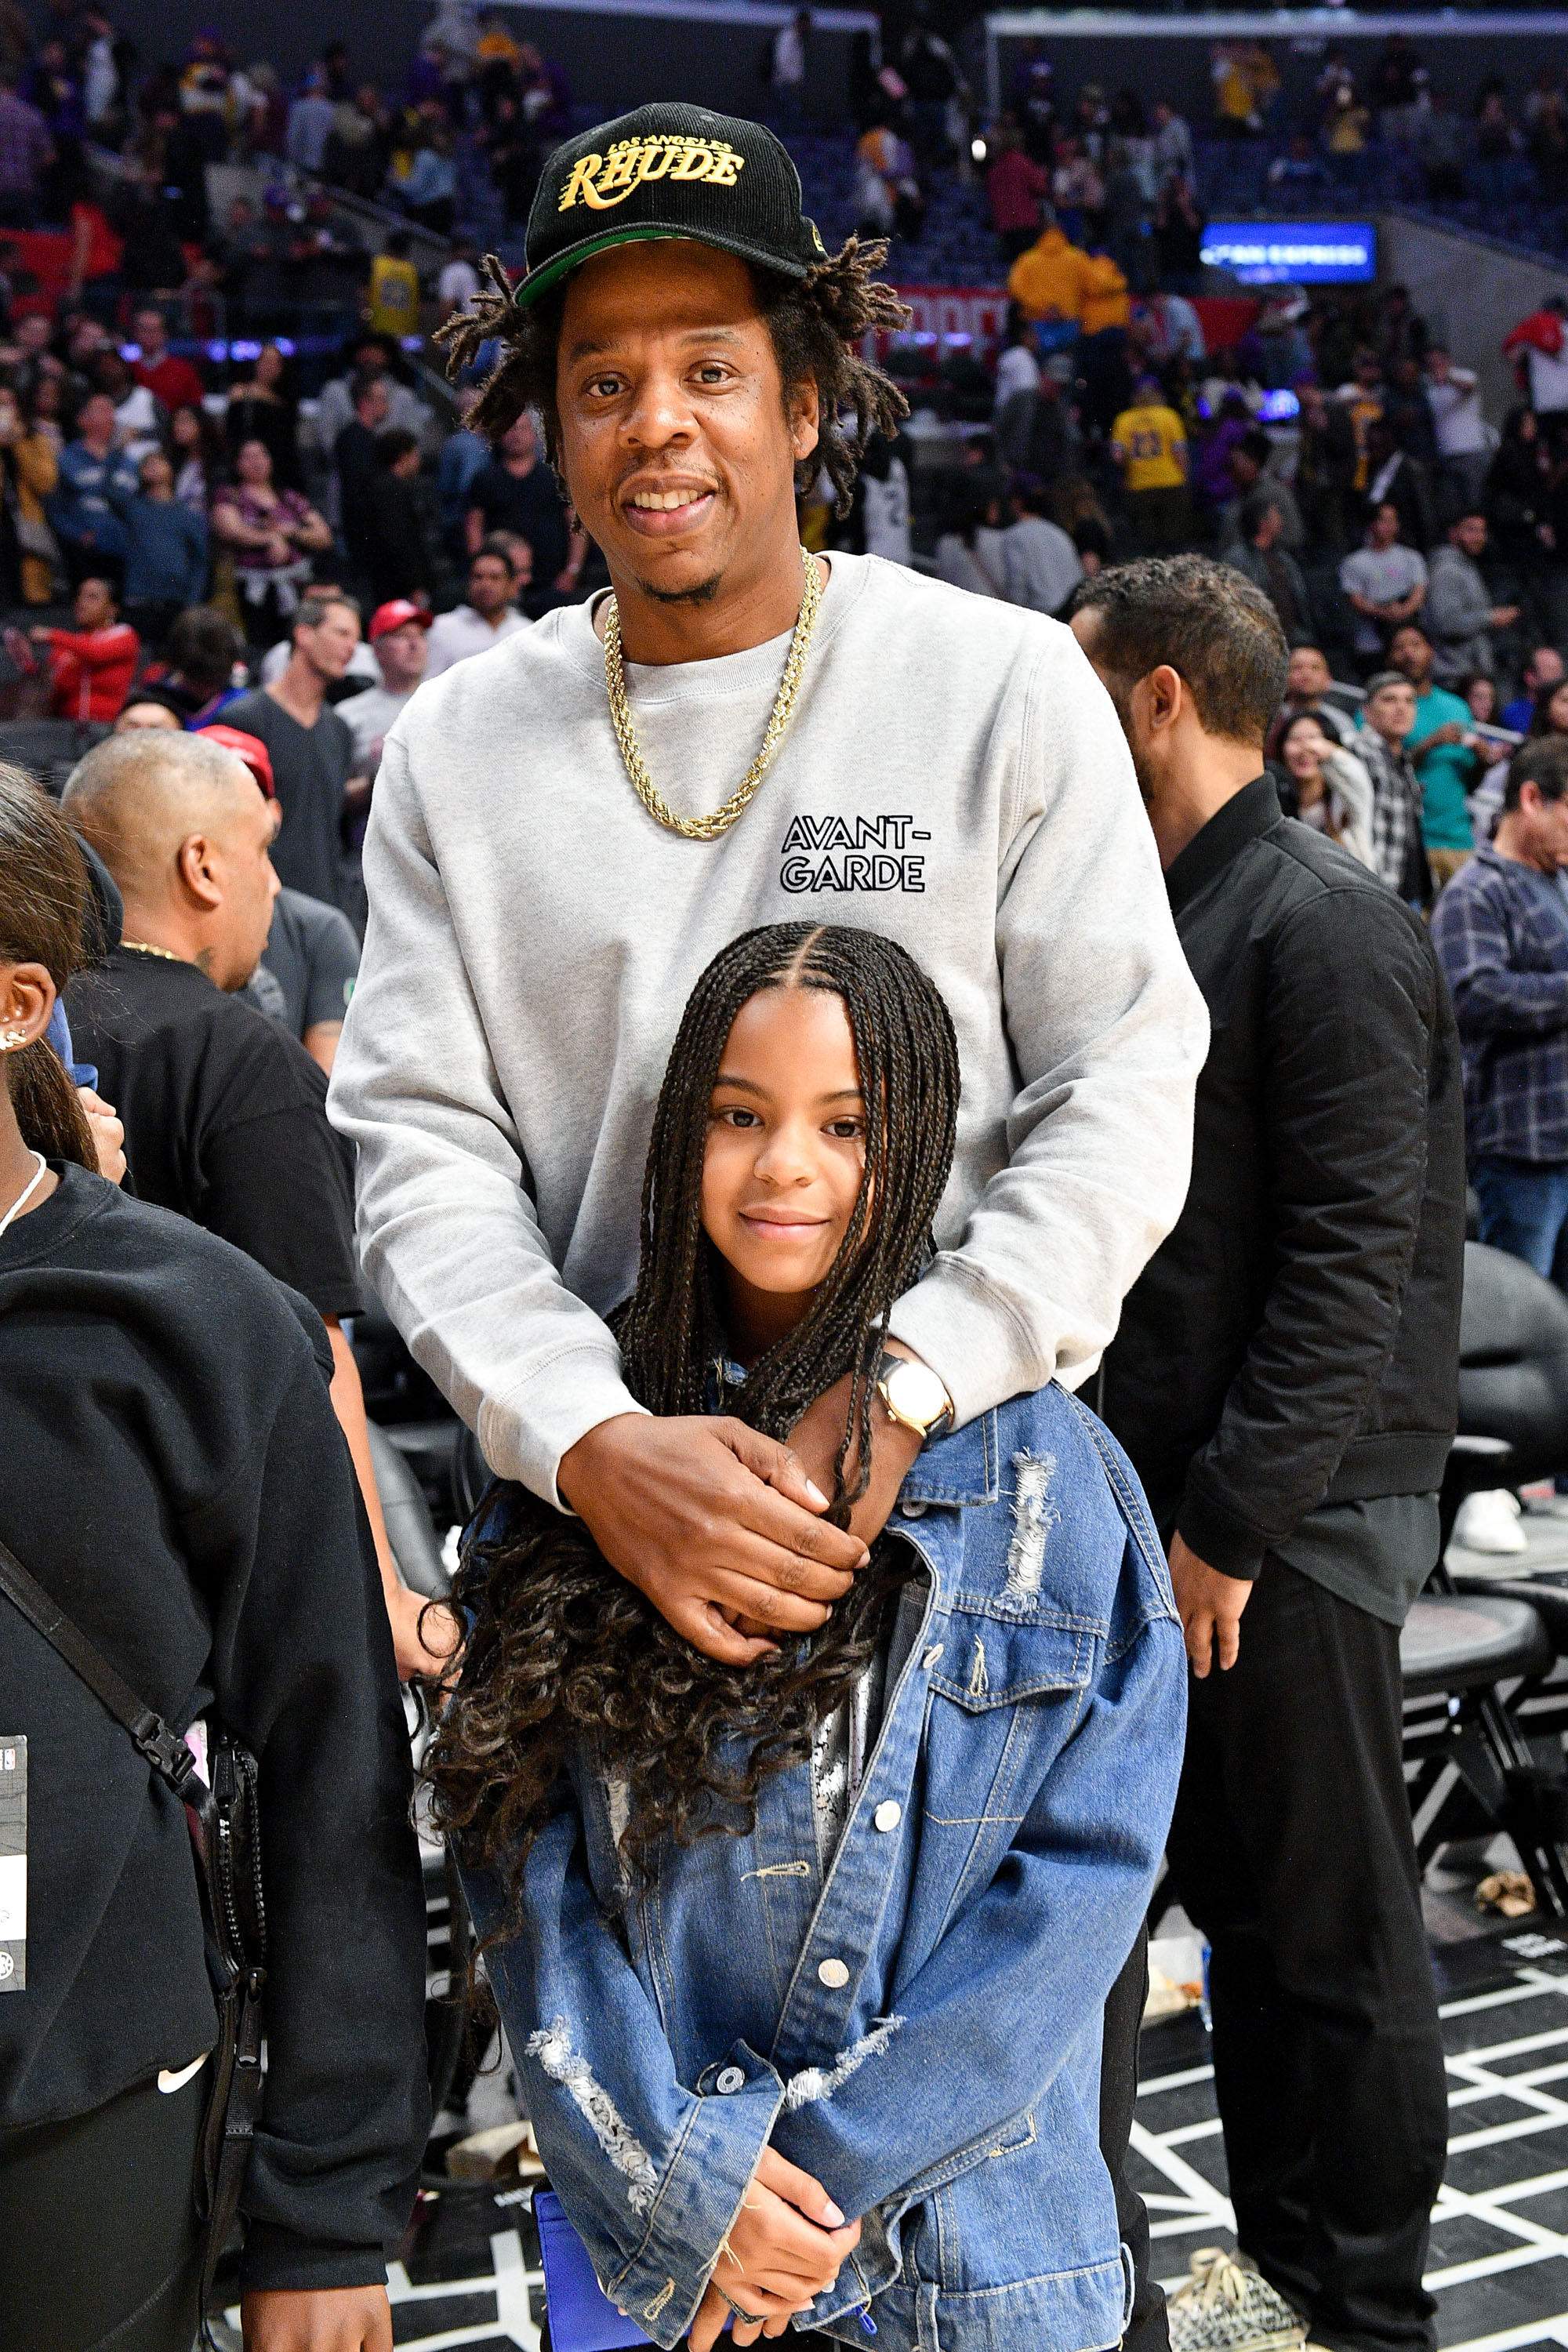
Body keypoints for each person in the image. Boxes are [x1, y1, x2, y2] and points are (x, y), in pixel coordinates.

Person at [348, 104, 1208, 2350]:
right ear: (551, 420)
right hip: (605, 1527)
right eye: (605, 376)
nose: (660, 424)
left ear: (811, 396)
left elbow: (1128, 1076)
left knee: (986, 2206)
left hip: (961, 1541)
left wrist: (919, 1375)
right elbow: (422, 1149)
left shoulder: (998, 683)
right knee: (640, 2207)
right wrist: (583, 1440)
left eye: (712, 365)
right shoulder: (460, 744)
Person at [426, 920, 1187, 2352]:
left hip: (971, 2275)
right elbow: (523, 1867)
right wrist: (684, 2184)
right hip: (671, 2277)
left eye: (846, 1124)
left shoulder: (1049, 1474)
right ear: (674, 1138)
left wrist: (798, 2196)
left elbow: (1085, 1881)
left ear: (916, 1150)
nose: (786, 1166)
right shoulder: (585, 1454)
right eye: (738, 1115)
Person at [1069, 555, 1461, 2352]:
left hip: (1277, 1518)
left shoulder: (1315, 917)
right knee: (1222, 1927)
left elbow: (1347, 1269)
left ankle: (1357, 2307)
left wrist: (1224, 1522)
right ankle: (1273, 2287)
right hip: (1175, 1509)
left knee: (1315, 1943)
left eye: (1076, 688)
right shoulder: (1160, 911)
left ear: (1158, 696)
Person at [0, 768, 427, 2352]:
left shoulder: (188, 1326)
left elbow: (333, 1769)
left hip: (82, 2125)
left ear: (17, 1001)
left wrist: (323, 2212)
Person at [60, 730, 445, 1681]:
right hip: (204, 1579)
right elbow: (312, 1355)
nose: (275, 889)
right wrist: (382, 1591)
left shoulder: (21, 1036)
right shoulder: (239, 1058)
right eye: (262, 854)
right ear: (203, 866)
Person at [1433, 738, 1568, 1287]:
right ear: (1532, 798)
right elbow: (1470, 995)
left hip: (1560, 1139)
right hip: (1519, 1147)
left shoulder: (1557, 884)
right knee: (1521, 1317)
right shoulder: (1476, 890)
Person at [223, 593, 362, 913]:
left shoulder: (339, 730)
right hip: (260, 901)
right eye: (342, 633)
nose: (352, 647)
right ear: (303, 634)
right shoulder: (244, 720)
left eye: (356, 638)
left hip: (328, 903)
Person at [211, 438, 333, 650]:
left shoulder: (288, 497)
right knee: (257, 644)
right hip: (251, 589)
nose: (256, 461)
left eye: (261, 455)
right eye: (248, 456)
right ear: (238, 464)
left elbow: (323, 535)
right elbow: (231, 530)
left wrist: (292, 532)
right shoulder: (230, 495)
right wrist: (271, 538)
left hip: (295, 585)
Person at [1387, 621, 1483, 887]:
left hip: (1458, 838)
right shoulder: (1378, 709)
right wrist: (1432, 743)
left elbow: (1470, 779)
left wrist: (1484, 760)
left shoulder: (1457, 707)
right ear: (1389, 658)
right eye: (1399, 647)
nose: (1409, 653)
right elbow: (1381, 766)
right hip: (1407, 841)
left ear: (1431, 651)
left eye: (1416, 645)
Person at [464, 408, 582, 601]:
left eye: (521, 428)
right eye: (509, 429)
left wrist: (573, 569)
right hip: (502, 584)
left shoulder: (554, 477)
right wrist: (481, 569)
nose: (515, 434)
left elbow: (576, 526)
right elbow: (474, 526)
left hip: (552, 580)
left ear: (534, 434)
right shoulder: (485, 478)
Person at [118, 448, 208, 652]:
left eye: (159, 462)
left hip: (175, 601)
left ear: (172, 471)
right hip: (138, 599)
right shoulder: (133, 507)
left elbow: (200, 561)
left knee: (171, 662)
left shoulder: (186, 514)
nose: (153, 466)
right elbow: (107, 489)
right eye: (147, 464)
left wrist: (193, 601)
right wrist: (118, 450)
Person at [1355, 669, 1432, 903]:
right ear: (1366, 712)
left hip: (1404, 890)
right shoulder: (1358, 753)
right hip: (1373, 889)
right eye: (1389, 700)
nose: (1402, 708)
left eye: (1409, 701)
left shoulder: (1402, 760)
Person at [49, 390, 138, 590]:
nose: (109, 415)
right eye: (101, 410)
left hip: (124, 553)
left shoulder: (129, 463)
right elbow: (55, 508)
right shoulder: (66, 459)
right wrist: (78, 536)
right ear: (82, 419)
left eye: (111, 410)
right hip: (85, 554)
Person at [1425, 510, 1519, 684]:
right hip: (1454, 673)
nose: (1479, 537)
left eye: (1482, 531)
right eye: (1471, 530)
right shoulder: (1447, 570)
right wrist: (1492, 618)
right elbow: (1445, 622)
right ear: (1453, 533)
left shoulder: (1467, 565)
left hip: (1471, 670)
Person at [1274, 708, 1375, 866]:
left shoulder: (1344, 804)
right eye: (1295, 739)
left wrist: (1332, 753)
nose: (1304, 749)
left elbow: (1359, 780)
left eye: (1313, 739)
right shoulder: (1275, 800)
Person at [31, 575, 138, 724]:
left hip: (105, 727)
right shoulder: (72, 644)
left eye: (92, 597)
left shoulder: (124, 634)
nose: (82, 603)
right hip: (67, 726)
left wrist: (52, 635)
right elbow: (57, 688)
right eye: (80, 596)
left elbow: (95, 653)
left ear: (112, 609)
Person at [339, 599, 432, 766]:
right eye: (403, 636)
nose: (414, 644)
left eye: (421, 635)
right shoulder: (348, 716)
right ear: (377, 649)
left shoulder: (448, 705)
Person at [1339, 501, 1427, 672]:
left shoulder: (1411, 557)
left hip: (1406, 640)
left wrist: (1403, 611)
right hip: (1371, 644)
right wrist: (1384, 612)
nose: (1389, 526)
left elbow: (1419, 592)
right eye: (1383, 520)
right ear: (1371, 523)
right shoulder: (1354, 562)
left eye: (1393, 520)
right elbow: (1355, 599)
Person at [423, 539, 529, 677]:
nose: (485, 585)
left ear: (511, 585)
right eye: (478, 577)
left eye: (495, 578)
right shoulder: (442, 628)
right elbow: (428, 684)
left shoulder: (526, 631)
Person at [1109, 373, 1189, 551]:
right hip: (1171, 484)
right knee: (1173, 545)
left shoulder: (1124, 419)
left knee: (1147, 546)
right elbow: (1180, 453)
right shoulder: (1169, 416)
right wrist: (1185, 478)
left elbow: (1117, 457)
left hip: (1138, 487)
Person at [362, 427, 434, 608]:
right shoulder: (389, 491)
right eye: (415, 454)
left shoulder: (381, 487)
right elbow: (399, 540)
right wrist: (415, 584)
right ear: (404, 456)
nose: (418, 460)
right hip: (398, 586)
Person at [1227, 494, 1309, 641]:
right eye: (1277, 515)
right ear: (1263, 522)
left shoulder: (1283, 557)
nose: (1281, 521)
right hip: (1257, 634)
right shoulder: (1237, 558)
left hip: (1291, 633)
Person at [335, 369, 392, 576]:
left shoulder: (369, 440)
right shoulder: (352, 441)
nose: (388, 406)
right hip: (364, 537)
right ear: (365, 402)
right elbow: (359, 493)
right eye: (382, 399)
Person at [224, 339, 300, 492]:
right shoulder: (240, 396)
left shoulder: (289, 398)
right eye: (265, 361)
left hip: (281, 467)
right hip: (246, 463)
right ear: (257, 364)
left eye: (275, 362)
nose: (270, 366)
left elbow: (287, 436)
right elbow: (232, 433)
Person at [1000, 473, 1083, 612]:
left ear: (1016, 502)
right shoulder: (1058, 533)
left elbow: (1017, 588)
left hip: (1041, 617)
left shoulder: (1014, 536)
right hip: (1070, 614)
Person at [1425, 347, 1490, 520]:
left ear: (1447, 360)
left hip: (1471, 451)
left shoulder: (1463, 375)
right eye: (1431, 362)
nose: (1435, 365)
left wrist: (1446, 378)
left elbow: (1469, 387)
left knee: (1476, 505)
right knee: (1453, 510)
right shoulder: (1429, 388)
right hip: (1446, 455)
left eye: (1438, 361)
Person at [1006, 204, 1089, 328]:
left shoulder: (1027, 260)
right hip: (1070, 321)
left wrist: (1043, 307)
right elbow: (1093, 286)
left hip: (1037, 321)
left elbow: (1015, 289)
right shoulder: (1078, 257)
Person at [1275, 642, 1357, 746]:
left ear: (1328, 680)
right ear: (1283, 678)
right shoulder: (1271, 721)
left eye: (1315, 668)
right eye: (1297, 667)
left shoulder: (1341, 722)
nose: (1306, 674)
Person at [129, 303, 203, 415]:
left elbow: (196, 411)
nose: (149, 335)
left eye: (154, 329)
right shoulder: (126, 370)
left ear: (164, 333)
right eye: (144, 329)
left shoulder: (184, 371)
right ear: (135, 333)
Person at [1504, 644, 1564, 734]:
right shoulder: (1515, 713)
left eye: (1560, 670)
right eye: (1552, 670)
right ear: (1530, 677)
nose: (1559, 676)